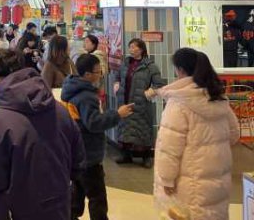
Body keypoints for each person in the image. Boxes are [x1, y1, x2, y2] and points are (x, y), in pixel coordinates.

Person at [0, 50, 85, 219]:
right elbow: (78, 159)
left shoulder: (1, 120)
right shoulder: (59, 109)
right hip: (58, 204)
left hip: (17, 208)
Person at [152, 48, 239, 220]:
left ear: (181, 70)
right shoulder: (218, 97)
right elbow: (234, 134)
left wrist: (167, 179)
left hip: (189, 182)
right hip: (217, 181)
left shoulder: (179, 102)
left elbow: (169, 147)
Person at [61, 54, 134, 220]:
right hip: (89, 154)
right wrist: (117, 114)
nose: (101, 74)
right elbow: (94, 123)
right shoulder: (86, 97)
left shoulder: (71, 89)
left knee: (77, 193)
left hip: (77, 152)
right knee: (97, 197)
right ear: (87, 74)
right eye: (98, 71)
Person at [114, 38, 165, 168]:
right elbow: (117, 76)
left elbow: (159, 83)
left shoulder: (150, 66)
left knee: (142, 129)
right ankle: (126, 155)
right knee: (125, 127)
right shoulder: (125, 63)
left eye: (133, 47)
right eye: (130, 47)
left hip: (141, 104)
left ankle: (146, 156)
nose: (131, 49)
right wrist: (117, 85)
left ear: (141, 49)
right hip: (124, 101)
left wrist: (149, 93)